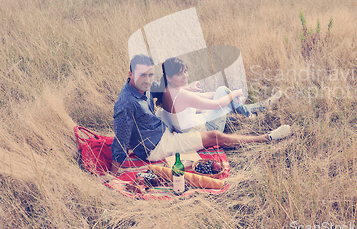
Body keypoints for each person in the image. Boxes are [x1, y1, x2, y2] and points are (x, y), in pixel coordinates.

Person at [110, 54, 291, 175]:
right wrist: (112, 174)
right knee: (214, 136)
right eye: (143, 75)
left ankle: (258, 107)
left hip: (162, 126)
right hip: (156, 146)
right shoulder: (125, 104)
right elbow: (121, 141)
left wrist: (187, 88)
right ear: (130, 74)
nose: (148, 80)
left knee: (210, 99)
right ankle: (265, 138)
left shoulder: (147, 86)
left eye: (151, 75)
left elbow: (167, 87)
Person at [155, 57, 281, 133]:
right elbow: (217, 104)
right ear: (169, 77)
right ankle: (250, 115)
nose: (185, 76)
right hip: (208, 130)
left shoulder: (167, 91)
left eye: (185, 71)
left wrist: (228, 95)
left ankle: (263, 106)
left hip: (195, 127)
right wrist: (235, 93)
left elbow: (204, 96)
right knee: (222, 91)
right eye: (179, 74)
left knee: (229, 105)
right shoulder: (182, 95)